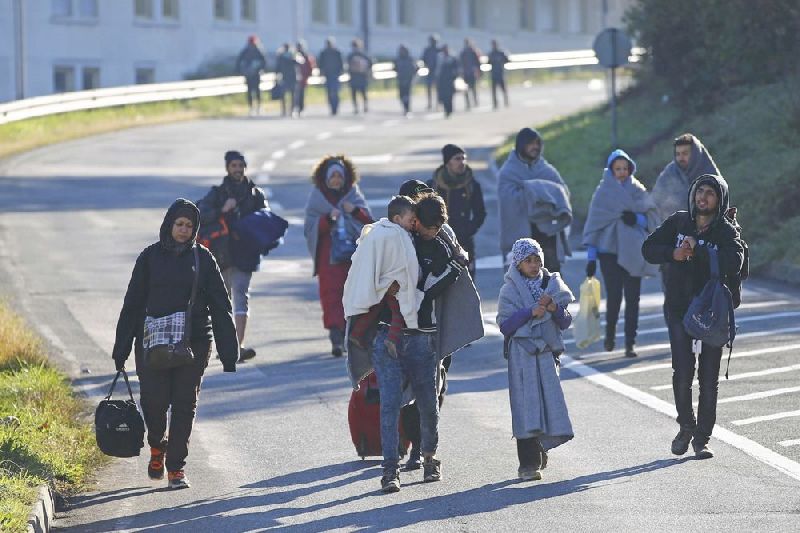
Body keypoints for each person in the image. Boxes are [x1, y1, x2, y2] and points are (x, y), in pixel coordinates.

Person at [112, 199, 239, 490]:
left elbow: (221, 305)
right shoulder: (149, 257)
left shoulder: (203, 259)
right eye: (179, 224)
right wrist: (121, 349)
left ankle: (176, 469)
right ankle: (157, 446)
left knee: (184, 404)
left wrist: (228, 352)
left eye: (189, 226)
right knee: (154, 402)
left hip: (193, 342)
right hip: (152, 341)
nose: (183, 230)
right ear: (169, 225)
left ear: (195, 230)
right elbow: (131, 305)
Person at [372, 194, 469, 493]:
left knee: (428, 404)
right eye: (429, 226)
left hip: (423, 336)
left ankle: (429, 458)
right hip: (388, 334)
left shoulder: (440, 245)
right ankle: (390, 470)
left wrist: (454, 267)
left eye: (439, 226)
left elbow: (427, 292)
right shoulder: (392, 241)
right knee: (389, 405)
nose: (434, 231)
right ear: (414, 221)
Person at [642, 174, 744, 459]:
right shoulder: (679, 221)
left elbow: (734, 262)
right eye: (700, 191)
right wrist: (673, 253)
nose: (703, 197)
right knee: (682, 370)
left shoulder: (725, 231)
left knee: (709, 377)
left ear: (719, 199)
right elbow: (648, 248)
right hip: (678, 307)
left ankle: (702, 439)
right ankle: (686, 426)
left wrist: (699, 250)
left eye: (710, 193)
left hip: (712, 311)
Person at [497, 238, 574, 481]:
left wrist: (554, 309)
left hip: (547, 354)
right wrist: (529, 312)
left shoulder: (553, 285)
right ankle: (528, 464)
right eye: (528, 261)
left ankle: (542, 447)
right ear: (518, 264)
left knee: (548, 403)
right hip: (522, 355)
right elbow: (505, 325)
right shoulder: (509, 290)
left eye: (537, 259)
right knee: (526, 407)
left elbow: (565, 322)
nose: (533, 265)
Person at [583, 150, 660, 357]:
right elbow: (594, 226)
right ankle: (610, 336)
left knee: (633, 298)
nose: (622, 172)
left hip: (634, 252)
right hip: (608, 252)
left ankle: (630, 343)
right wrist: (591, 257)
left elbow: (652, 220)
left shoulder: (638, 191)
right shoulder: (602, 193)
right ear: (610, 170)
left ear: (631, 169)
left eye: (625, 168)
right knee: (614, 296)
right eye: (617, 169)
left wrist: (637, 219)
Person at [197, 150, 266, 362]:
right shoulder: (217, 193)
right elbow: (199, 213)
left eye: (240, 165)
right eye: (233, 166)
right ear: (227, 168)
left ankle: (238, 346)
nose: (237, 169)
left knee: (241, 298)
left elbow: (266, 221)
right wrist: (221, 210)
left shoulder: (255, 194)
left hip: (245, 254)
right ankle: (223, 345)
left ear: (245, 167)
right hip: (221, 254)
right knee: (221, 301)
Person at [304, 156, 373, 356]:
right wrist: (327, 219)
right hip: (328, 258)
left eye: (339, 176)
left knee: (352, 297)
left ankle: (350, 336)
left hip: (353, 257)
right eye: (332, 176)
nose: (336, 180)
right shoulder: (317, 198)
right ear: (325, 178)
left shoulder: (354, 195)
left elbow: (369, 223)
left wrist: (355, 211)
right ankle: (336, 338)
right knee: (331, 297)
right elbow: (310, 228)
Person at [344, 196, 421, 358]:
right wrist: (402, 279)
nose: (413, 224)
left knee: (375, 307)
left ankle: (357, 334)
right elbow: (404, 262)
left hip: (379, 281)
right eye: (410, 220)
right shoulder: (397, 235)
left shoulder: (378, 230)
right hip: (393, 284)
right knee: (400, 310)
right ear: (397, 218)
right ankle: (392, 340)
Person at [498, 127, 572, 272]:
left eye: (538, 143)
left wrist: (535, 191)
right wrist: (537, 192)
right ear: (521, 145)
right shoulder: (508, 171)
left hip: (548, 233)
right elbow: (508, 200)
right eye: (531, 144)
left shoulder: (546, 169)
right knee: (523, 282)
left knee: (551, 281)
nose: (535, 147)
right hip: (522, 235)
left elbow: (562, 192)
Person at [427, 144, 486, 278]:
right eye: (457, 159)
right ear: (448, 162)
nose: (462, 162)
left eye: (463, 158)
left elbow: (480, 213)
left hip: (464, 242)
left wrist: (468, 229)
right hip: (439, 242)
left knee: (468, 281)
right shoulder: (433, 185)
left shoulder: (472, 185)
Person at [652, 133, 720, 223]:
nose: (680, 158)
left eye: (685, 153)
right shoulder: (669, 174)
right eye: (678, 154)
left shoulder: (709, 175)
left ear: (695, 154)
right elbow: (655, 202)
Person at [236, 35, 267, 115]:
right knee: (250, 91)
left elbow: (263, 62)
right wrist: (242, 70)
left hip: (256, 74)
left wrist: (259, 68)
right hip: (249, 74)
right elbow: (239, 61)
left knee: (256, 91)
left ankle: (258, 107)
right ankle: (251, 107)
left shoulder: (258, 50)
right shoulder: (246, 51)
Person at [318, 37, 345, 115]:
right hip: (327, 75)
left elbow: (341, 63)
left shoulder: (337, 52)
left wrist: (341, 71)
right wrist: (321, 72)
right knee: (329, 92)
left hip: (335, 75)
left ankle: (335, 107)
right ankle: (332, 108)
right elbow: (320, 64)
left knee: (335, 92)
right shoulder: (323, 53)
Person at [347, 39, 372, 114]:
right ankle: (356, 108)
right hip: (355, 77)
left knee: (363, 93)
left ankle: (365, 106)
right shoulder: (352, 55)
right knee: (355, 93)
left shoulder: (362, 55)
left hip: (361, 77)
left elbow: (370, 64)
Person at [435, 44, 459, 118]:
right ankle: (446, 110)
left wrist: (454, 75)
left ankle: (449, 110)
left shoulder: (452, 58)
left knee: (449, 96)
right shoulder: (439, 57)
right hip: (442, 80)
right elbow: (436, 68)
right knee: (443, 96)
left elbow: (457, 68)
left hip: (450, 80)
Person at [275, 44, 297, 117]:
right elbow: (278, 67)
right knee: (283, 95)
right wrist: (277, 75)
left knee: (292, 95)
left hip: (292, 77)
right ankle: (284, 110)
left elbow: (299, 63)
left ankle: (292, 110)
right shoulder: (281, 56)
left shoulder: (293, 55)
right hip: (284, 77)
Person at [394, 44, 417, 116]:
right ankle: (405, 108)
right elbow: (395, 68)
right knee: (401, 95)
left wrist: (411, 77)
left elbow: (415, 69)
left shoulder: (410, 59)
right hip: (400, 80)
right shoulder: (398, 59)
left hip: (408, 80)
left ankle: (407, 109)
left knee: (407, 95)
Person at [459, 39, 482, 110]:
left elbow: (477, 63)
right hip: (467, 73)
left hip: (471, 73)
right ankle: (469, 103)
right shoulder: (464, 52)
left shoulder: (473, 51)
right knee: (468, 89)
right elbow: (460, 63)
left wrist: (479, 72)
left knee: (472, 89)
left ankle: (474, 102)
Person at [294, 41, 315, 117]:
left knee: (301, 95)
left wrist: (307, 76)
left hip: (303, 79)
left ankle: (301, 109)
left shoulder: (306, 56)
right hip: (295, 79)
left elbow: (310, 67)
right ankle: (296, 108)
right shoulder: (294, 55)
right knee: (295, 95)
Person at [488, 39, 510, 109]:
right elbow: (488, 62)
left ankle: (506, 102)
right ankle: (495, 104)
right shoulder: (491, 54)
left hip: (500, 73)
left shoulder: (501, 53)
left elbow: (507, 60)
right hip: (494, 74)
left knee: (503, 89)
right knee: (494, 91)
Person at [421, 34, 440, 110]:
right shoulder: (427, 50)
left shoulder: (439, 50)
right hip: (430, 71)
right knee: (429, 88)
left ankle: (438, 104)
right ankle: (429, 103)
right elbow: (423, 59)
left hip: (438, 72)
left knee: (438, 89)